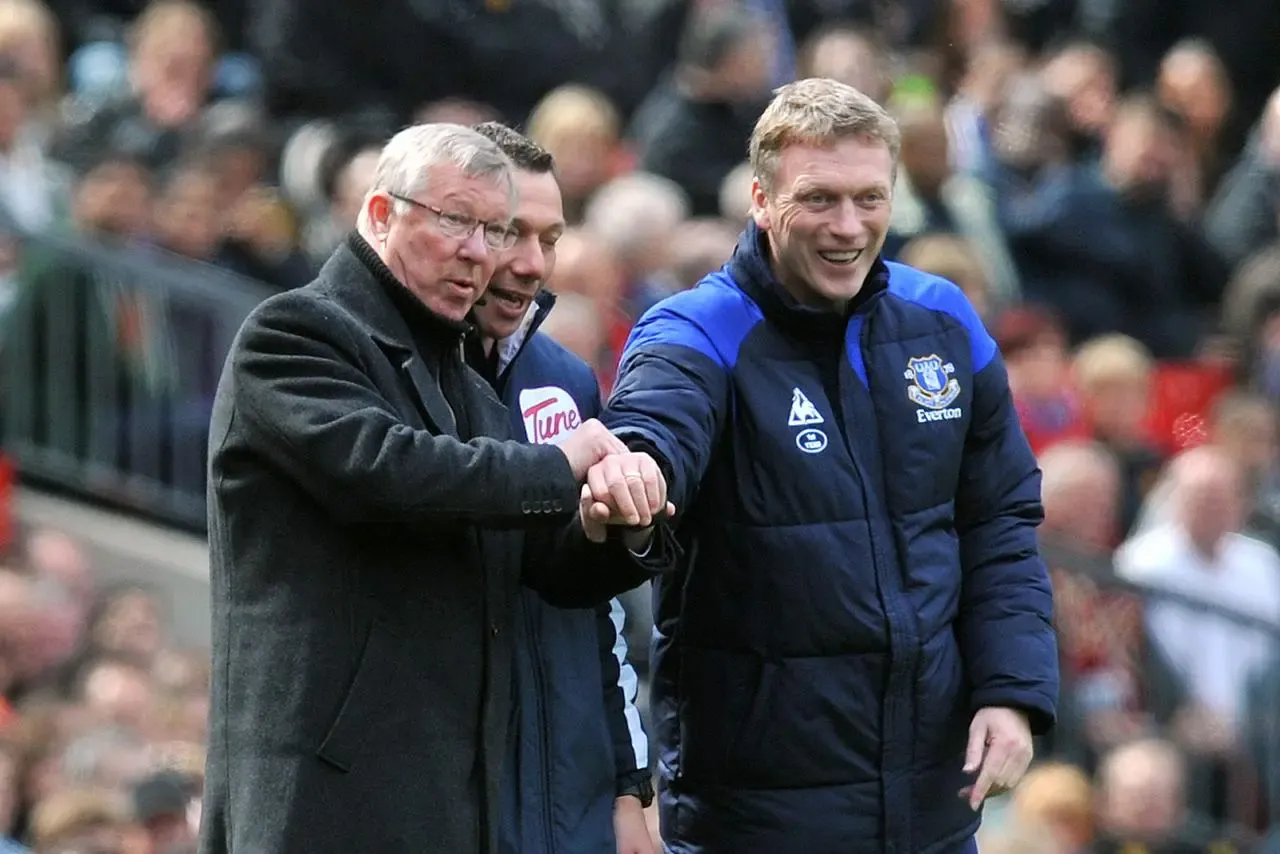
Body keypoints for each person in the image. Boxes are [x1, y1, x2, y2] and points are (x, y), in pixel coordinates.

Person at [603, 78, 1059, 852]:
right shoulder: (694, 331)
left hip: (932, 809)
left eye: (869, 198)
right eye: (818, 199)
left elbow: (1000, 521)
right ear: (760, 198)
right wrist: (637, 470)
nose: (849, 226)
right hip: (757, 816)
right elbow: (655, 431)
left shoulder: (943, 321)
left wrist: (1012, 690)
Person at [200, 122, 676, 854]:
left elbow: (539, 564)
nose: (481, 253)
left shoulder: (465, 383)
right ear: (381, 213)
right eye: (459, 221)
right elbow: (389, 472)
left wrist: (617, 523)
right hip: (326, 796)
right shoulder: (295, 334)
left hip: (447, 792)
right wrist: (562, 463)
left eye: (494, 230)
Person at [465, 121, 655, 854]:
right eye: (512, 233)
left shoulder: (565, 380)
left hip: (571, 790)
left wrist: (627, 784)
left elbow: (599, 613)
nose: (531, 263)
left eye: (550, 238)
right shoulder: (393, 374)